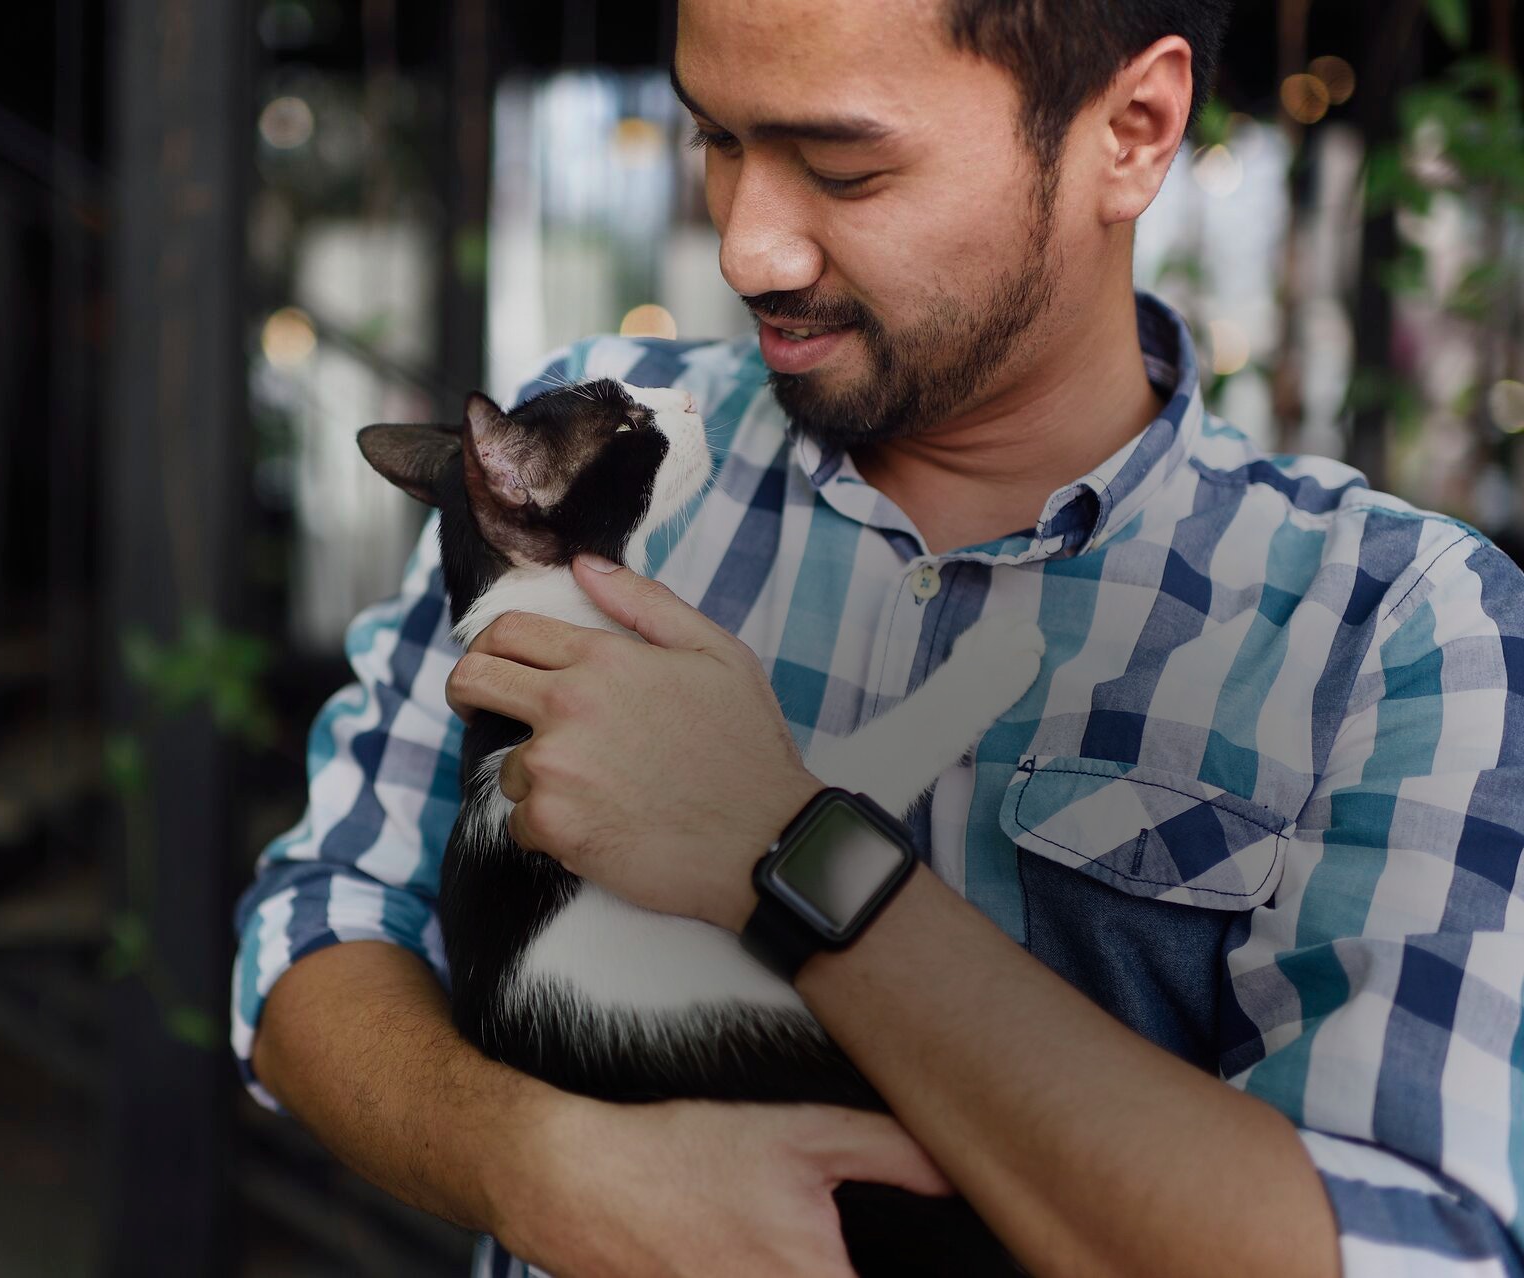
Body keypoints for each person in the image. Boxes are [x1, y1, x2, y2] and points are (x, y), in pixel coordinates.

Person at [232, 0, 1524, 1273]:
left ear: (1129, 131)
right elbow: (318, 927)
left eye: (845, 169)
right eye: (716, 141)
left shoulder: (1398, 626)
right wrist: (530, 1159)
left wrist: (785, 843)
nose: (747, 250)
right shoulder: (589, 466)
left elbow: (1409, 1248)